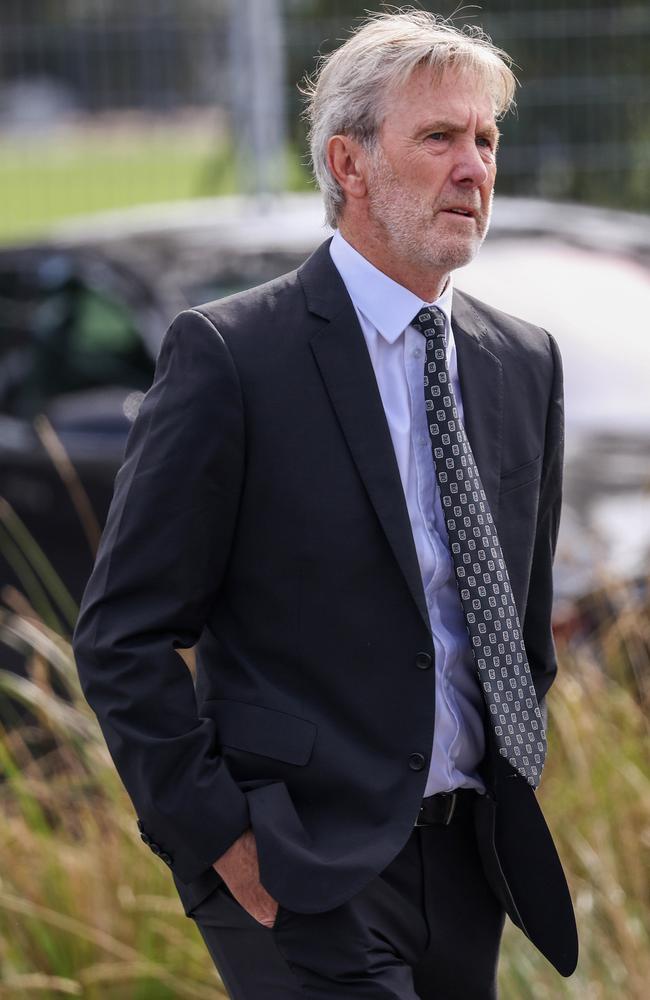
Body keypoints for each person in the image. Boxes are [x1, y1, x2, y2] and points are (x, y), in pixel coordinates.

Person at [72, 9, 578, 999]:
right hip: (297, 866)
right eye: (437, 137)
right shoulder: (232, 356)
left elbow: (515, 622)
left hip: (468, 861)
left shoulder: (522, 361)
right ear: (347, 165)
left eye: (483, 138)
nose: (472, 167)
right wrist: (221, 836)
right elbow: (121, 636)